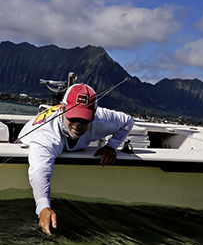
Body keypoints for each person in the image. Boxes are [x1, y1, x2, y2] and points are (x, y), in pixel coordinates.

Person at [18, 82, 134, 234]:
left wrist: (112, 146)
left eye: (85, 119)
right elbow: (39, 171)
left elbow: (128, 121)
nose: (78, 125)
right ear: (63, 108)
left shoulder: (101, 118)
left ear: (94, 113)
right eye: (73, 117)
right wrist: (43, 208)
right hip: (26, 140)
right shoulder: (46, 135)